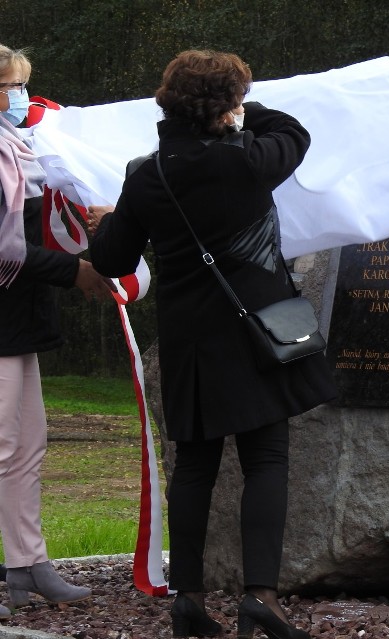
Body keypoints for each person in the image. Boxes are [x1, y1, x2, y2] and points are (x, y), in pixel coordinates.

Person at [88, 50, 336, 638]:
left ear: (168, 102)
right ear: (227, 106)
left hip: (190, 339)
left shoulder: (148, 173)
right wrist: (236, 107)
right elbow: (294, 131)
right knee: (266, 460)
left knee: (195, 464)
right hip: (257, 330)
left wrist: (107, 224)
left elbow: (113, 261)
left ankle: (189, 600)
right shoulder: (251, 159)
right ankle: (261, 599)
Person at [0, 44, 113, 618]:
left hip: (18, 322)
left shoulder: (22, 153)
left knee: (26, 445)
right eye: (11, 88)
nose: (21, 100)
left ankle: (27, 564)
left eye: (21, 86)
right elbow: (2, 250)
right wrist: (76, 271)